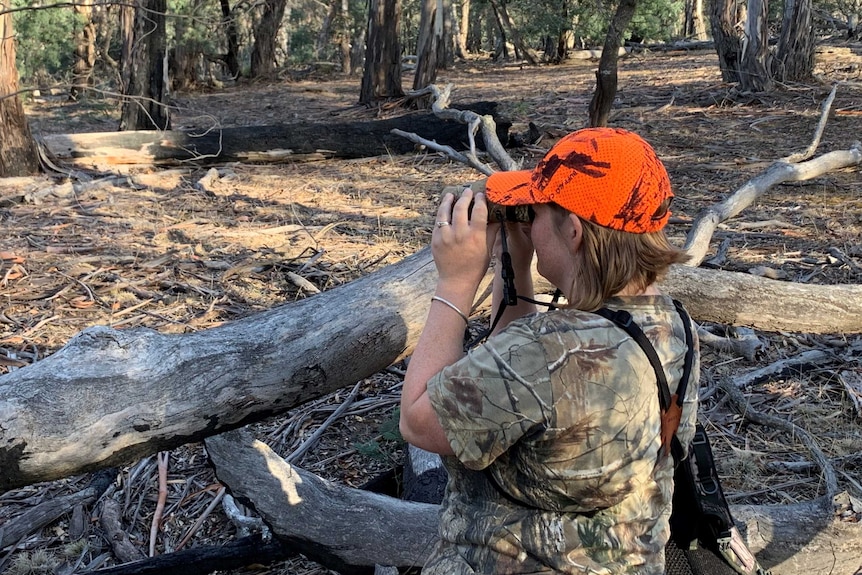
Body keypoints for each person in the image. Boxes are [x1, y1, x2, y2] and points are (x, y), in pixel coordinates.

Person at [399, 127, 700, 574]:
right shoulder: (675, 322)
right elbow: (514, 386)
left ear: (574, 231)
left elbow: (419, 423)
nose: (529, 224)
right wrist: (515, 263)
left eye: (536, 213)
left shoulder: (548, 349)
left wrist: (455, 284)